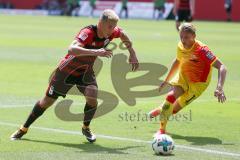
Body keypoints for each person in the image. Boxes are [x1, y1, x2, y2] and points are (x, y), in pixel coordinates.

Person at [10, 9, 139, 143]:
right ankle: (23, 128)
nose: (113, 30)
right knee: (47, 102)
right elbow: (72, 49)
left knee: (92, 97)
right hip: (67, 71)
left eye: (114, 27)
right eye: (110, 26)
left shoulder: (111, 32)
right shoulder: (88, 32)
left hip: (85, 72)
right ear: (101, 22)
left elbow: (123, 34)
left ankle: (86, 127)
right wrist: (96, 52)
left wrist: (132, 53)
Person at [148, 23, 227, 136]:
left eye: (186, 37)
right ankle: (161, 130)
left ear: (194, 36)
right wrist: (166, 80)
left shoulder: (202, 50)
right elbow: (177, 61)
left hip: (197, 85)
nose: (183, 40)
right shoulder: (180, 46)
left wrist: (219, 88)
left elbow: (222, 67)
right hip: (183, 77)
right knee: (170, 96)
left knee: (173, 110)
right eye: (181, 37)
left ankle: (160, 110)